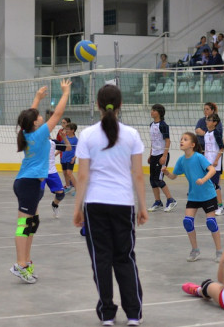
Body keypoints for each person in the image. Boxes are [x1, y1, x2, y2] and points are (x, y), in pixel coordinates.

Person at [73, 84, 147, 326]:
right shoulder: (132, 135)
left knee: (101, 259)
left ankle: (107, 314)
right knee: (124, 257)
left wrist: (77, 208)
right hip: (123, 204)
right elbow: (138, 174)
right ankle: (134, 314)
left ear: (97, 105)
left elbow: (82, 176)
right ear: (120, 105)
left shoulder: (87, 135)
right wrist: (143, 206)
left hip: (95, 204)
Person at [11, 80, 71, 284]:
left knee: (32, 223)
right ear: (36, 123)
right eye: (38, 116)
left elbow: (29, 115)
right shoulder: (37, 134)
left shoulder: (28, 132)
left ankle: (26, 261)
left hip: (34, 184)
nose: (40, 117)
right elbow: (57, 115)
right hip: (28, 184)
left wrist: (37, 98)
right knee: (23, 225)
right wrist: (65, 93)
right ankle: (20, 264)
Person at [163, 132, 222, 263]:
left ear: (193, 145)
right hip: (194, 196)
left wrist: (204, 179)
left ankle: (219, 252)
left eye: (185, 139)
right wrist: (166, 173)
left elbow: (212, 170)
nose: (181, 141)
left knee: (211, 223)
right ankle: (195, 250)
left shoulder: (199, 157)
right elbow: (173, 176)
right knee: (187, 222)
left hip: (208, 194)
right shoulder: (181, 160)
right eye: (181, 139)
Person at [147, 104, 177, 212]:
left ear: (159, 112)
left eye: (153, 110)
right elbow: (153, 141)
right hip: (154, 155)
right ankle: (158, 202)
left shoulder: (163, 125)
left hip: (161, 155)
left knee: (159, 179)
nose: (151, 112)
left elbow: (168, 141)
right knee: (152, 180)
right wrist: (150, 154)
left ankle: (171, 200)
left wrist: (164, 156)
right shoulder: (151, 124)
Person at [41, 135, 71, 218]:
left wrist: (64, 138)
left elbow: (68, 148)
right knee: (38, 194)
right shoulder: (35, 142)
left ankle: (55, 205)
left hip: (52, 172)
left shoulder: (53, 143)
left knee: (61, 194)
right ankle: (31, 214)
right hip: (39, 172)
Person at [204, 113, 224, 216]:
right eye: (207, 120)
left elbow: (222, 147)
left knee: (215, 185)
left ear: (215, 123)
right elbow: (206, 149)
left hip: (215, 164)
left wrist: (217, 160)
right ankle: (213, 205)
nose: (207, 122)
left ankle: (221, 206)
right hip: (207, 163)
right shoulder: (206, 134)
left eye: (210, 120)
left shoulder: (216, 133)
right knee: (209, 185)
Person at [60, 123, 78, 195]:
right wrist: (56, 154)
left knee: (69, 173)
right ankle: (68, 186)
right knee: (65, 173)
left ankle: (77, 189)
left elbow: (78, 150)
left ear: (73, 130)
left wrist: (74, 158)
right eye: (66, 129)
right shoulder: (65, 138)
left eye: (68, 129)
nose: (66, 130)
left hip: (70, 158)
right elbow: (61, 147)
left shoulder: (75, 140)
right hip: (64, 158)